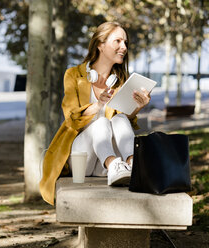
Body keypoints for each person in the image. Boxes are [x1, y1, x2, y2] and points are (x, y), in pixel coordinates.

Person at [39, 22, 151, 205]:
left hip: (107, 167)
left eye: (126, 42)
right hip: (82, 159)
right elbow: (72, 119)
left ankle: (133, 166)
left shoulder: (120, 81)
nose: (124, 47)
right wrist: (99, 104)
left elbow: (124, 124)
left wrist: (138, 106)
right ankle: (113, 163)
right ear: (100, 44)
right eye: (118, 41)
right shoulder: (74, 75)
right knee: (101, 123)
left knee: (121, 118)